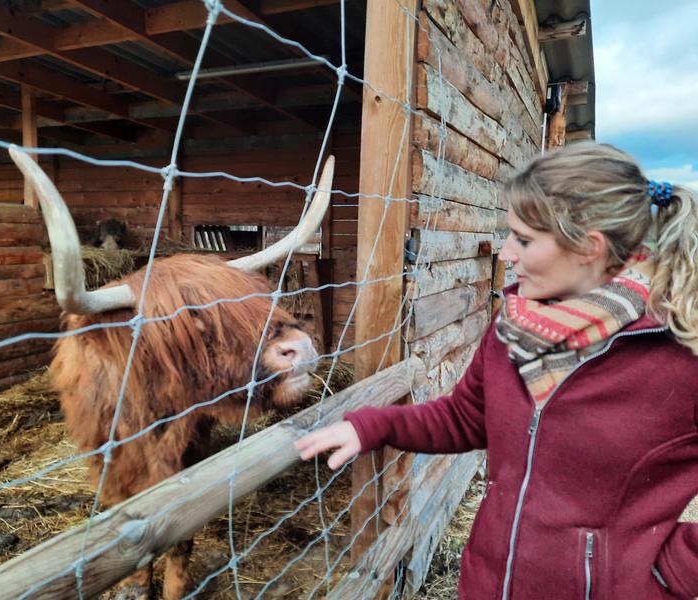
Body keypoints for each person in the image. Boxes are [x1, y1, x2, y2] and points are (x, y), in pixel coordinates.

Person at [295, 142, 698, 599]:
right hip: (489, 583)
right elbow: (465, 419)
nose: (506, 253)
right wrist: (371, 426)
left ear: (589, 247)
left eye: (523, 240)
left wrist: (661, 576)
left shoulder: (680, 356)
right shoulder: (515, 330)